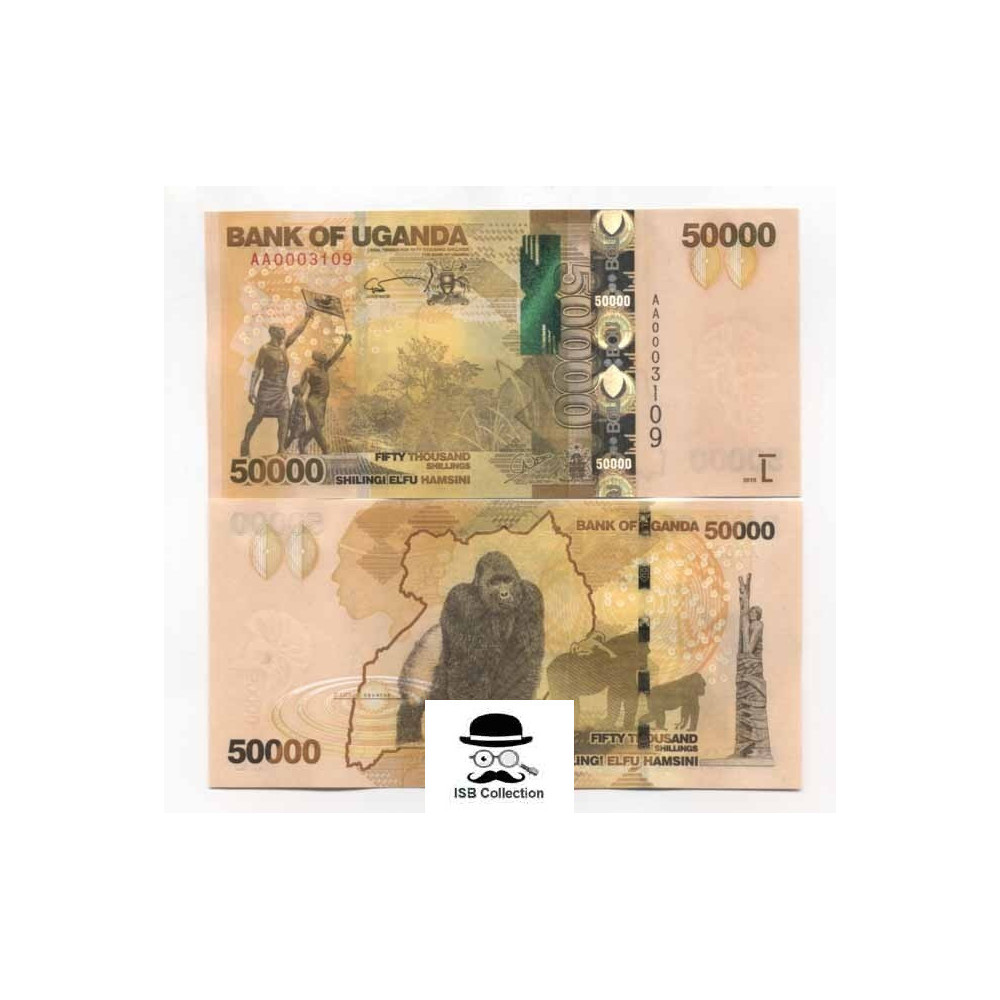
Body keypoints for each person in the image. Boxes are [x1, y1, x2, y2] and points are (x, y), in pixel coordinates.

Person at [240, 306, 314, 457]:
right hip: (267, 389)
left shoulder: (283, 347)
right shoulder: (265, 349)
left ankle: (281, 448)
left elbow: (296, 332)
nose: (284, 332)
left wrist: (306, 318)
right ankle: (245, 442)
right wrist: (251, 390)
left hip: (281, 391)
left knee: (284, 417)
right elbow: (257, 369)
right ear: (273, 332)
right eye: (281, 330)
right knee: (257, 418)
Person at [296, 334, 352, 454]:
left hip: (322, 401)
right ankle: (325, 448)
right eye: (322, 354)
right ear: (316, 357)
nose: (325, 355)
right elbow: (302, 386)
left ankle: (304, 442)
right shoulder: (309, 369)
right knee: (318, 425)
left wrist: (345, 342)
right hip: (313, 401)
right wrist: (299, 400)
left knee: (317, 426)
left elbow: (336, 356)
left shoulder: (324, 367)